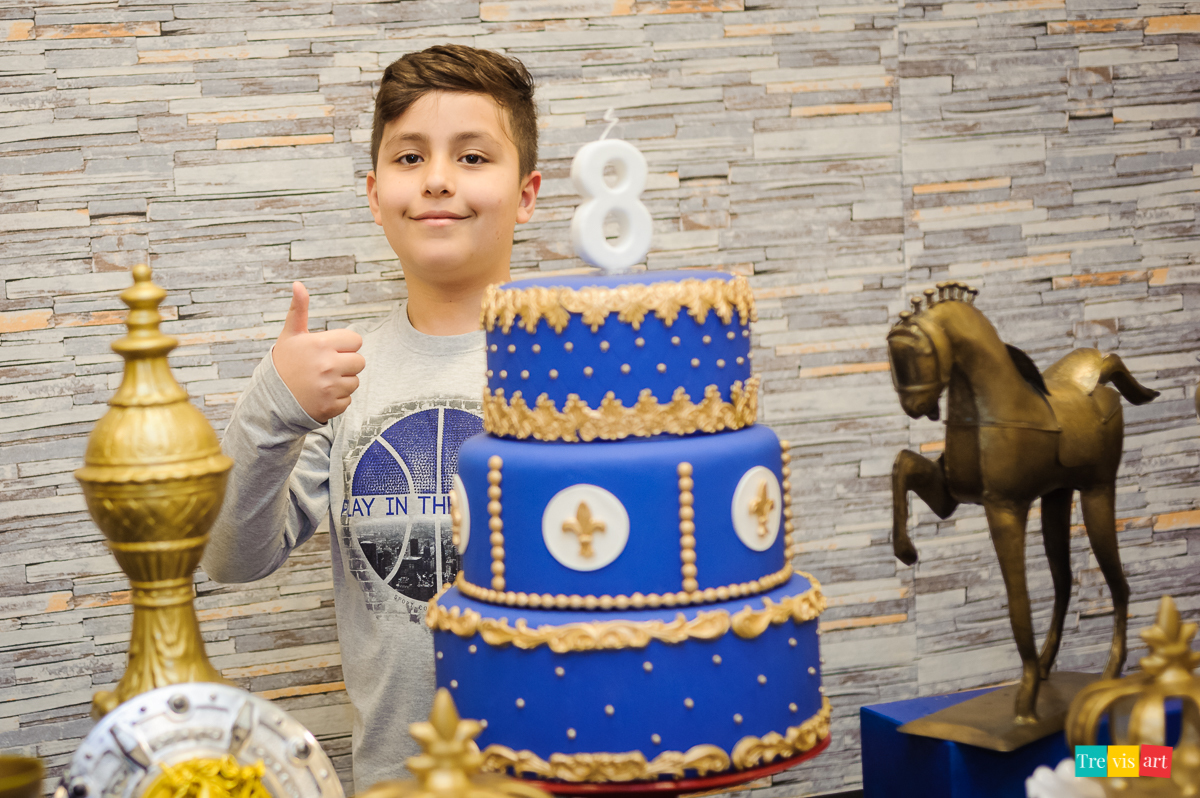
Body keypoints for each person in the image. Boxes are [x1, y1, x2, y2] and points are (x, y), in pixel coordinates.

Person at [201, 44, 541, 791]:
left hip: (561, 775)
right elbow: (229, 559)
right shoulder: (336, 379)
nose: (439, 180)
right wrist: (274, 404)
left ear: (527, 193)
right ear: (374, 191)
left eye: (474, 157)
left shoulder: (571, 369)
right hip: (397, 782)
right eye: (410, 157)